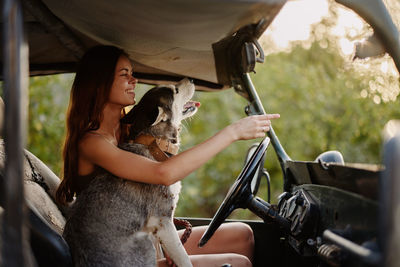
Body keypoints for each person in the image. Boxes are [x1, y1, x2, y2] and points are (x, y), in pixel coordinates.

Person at [56, 45, 280, 267]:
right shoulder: (92, 143)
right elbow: (163, 173)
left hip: (143, 241)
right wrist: (233, 132)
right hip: (121, 257)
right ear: (99, 84)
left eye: (133, 74)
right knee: (238, 263)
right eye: (125, 75)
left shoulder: (127, 132)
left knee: (242, 234)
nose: (134, 80)